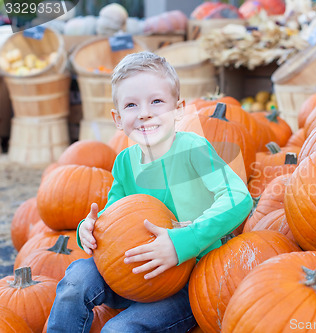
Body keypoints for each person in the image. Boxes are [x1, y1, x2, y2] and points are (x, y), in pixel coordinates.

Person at [46, 51, 253, 332]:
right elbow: (114, 217)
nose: (144, 113)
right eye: (131, 105)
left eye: (156, 101)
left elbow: (239, 198)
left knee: (118, 330)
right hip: (130, 270)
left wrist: (181, 243)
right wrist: (89, 230)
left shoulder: (193, 149)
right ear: (118, 119)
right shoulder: (125, 163)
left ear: (178, 109)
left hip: (186, 280)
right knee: (76, 280)